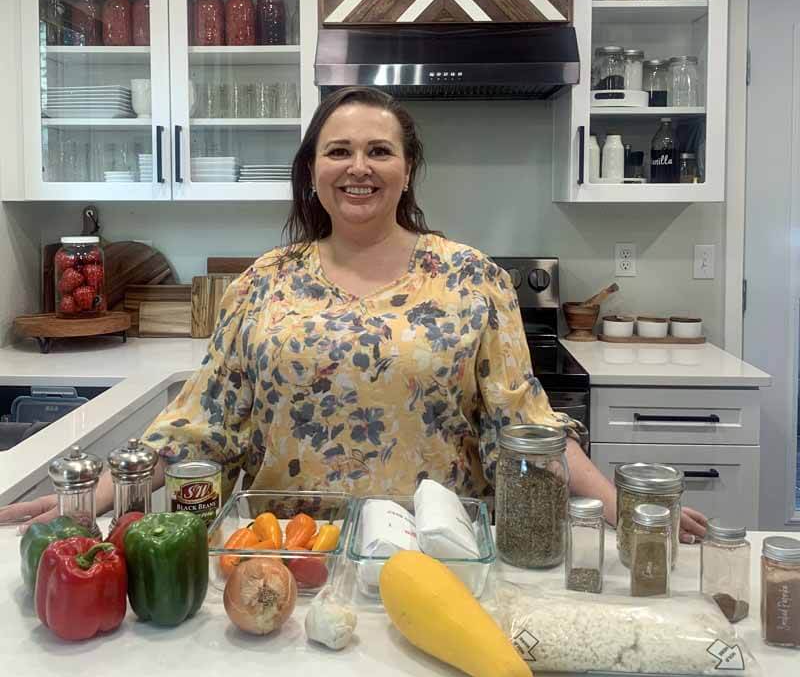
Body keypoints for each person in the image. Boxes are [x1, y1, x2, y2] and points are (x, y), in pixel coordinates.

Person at [0, 87, 707, 543]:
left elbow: (526, 425)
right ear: (313, 169)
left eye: (379, 150)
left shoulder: (471, 279)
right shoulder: (262, 286)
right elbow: (203, 425)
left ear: (407, 169)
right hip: (287, 555)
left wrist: (626, 509)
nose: (358, 166)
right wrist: (89, 496)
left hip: (441, 559)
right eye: (339, 150)